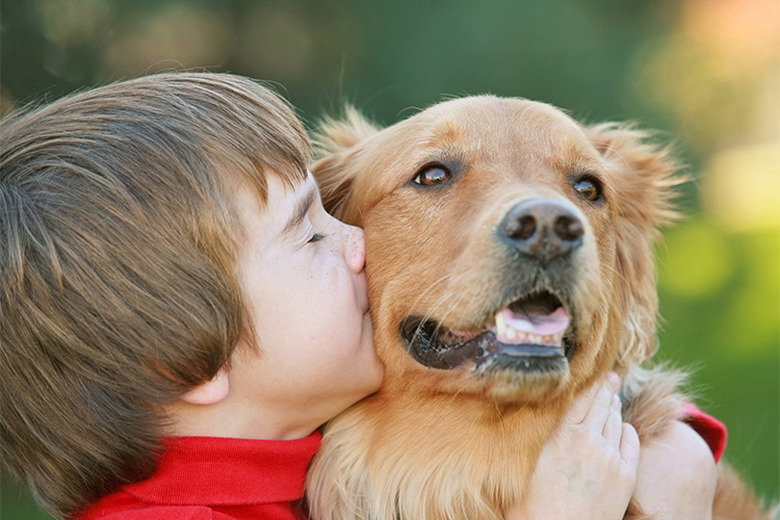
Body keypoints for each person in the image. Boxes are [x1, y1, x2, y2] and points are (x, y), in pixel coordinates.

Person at [0, 72, 720, 520]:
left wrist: (674, 440)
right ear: (184, 358)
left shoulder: (287, 465)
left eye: (584, 193)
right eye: (311, 235)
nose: (356, 245)